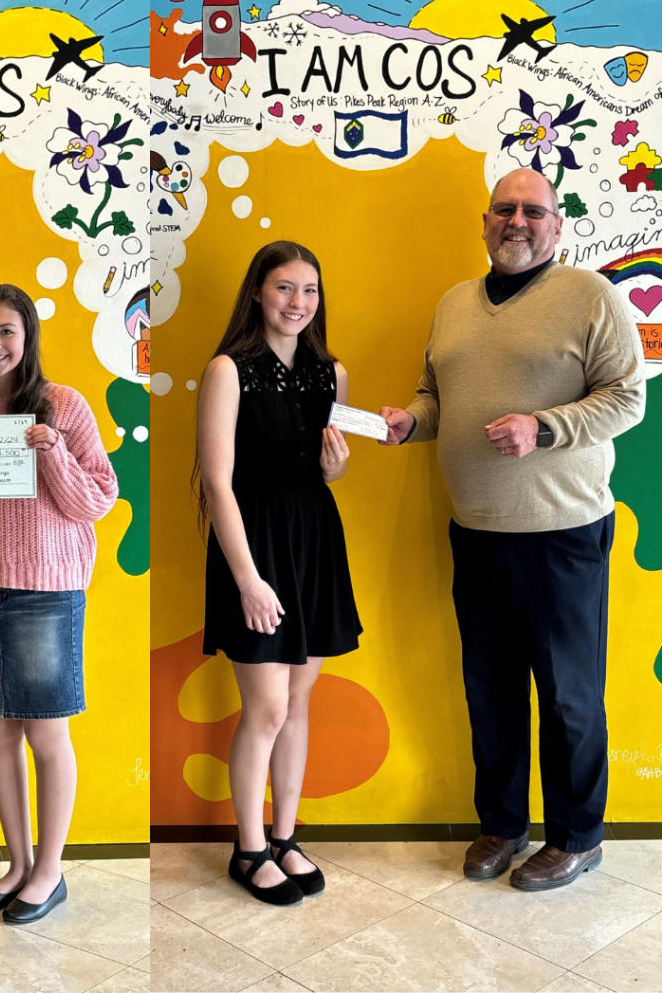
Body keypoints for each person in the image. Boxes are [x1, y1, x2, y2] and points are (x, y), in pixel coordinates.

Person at [381, 167, 645, 890]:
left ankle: (578, 836)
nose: (517, 221)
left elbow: (629, 399)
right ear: (486, 221)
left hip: (562, 532)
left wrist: (546, 427)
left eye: (535, 211)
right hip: (477, 529)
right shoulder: (455, 304)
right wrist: (410, 424)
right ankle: (501, 824)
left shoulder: (591, 297)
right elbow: (436, 395)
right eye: (505, 209)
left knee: (568, 694)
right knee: (490, 687)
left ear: (557, 226)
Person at [0, 283, 117, 923]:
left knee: (46, 730)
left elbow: (96, 501)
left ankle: (50, 871)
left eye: (7, 331)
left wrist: (54, 453)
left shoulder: (63, 405)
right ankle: (18, 863)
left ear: (28, 335)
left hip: (46, 590)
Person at [195, 241, 361, 905]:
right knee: (264, 708)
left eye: (310, 290)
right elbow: (216, 480)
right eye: (285, 288)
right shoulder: (227, 370)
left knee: (297, 703)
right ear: (259, 293)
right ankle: (250, 848)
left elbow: (326, 473)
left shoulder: (333, 374)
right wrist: (248, 580)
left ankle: (287, 838)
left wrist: (338, 465)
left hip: (315, 541)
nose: (298, 303)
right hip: (254, 545)